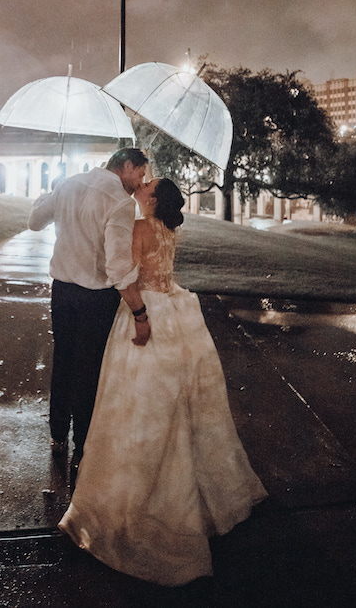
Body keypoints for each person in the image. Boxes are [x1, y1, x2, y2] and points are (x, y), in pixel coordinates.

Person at [59, 178, 267, 587]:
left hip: (148, 313)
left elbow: (126, 278)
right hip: (175, 311)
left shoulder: (139, 227)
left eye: (146, 185)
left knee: (135, 405)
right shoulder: (168, 229)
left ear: (152, 198)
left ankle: (135, 508)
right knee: (175, 405)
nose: (139, 185)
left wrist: (137, 314)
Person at [28, 147, 150, 480]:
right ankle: (82, 447)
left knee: (63, 359)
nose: (140, 181)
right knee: (88, 370)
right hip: (97, 298)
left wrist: (48, 195)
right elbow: (116, 264)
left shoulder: (68, 184)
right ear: (125, 166)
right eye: (139, 174)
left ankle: (57, 435)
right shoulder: (121, 203)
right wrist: (139, 311)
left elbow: (34, 222)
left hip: (62, 291)